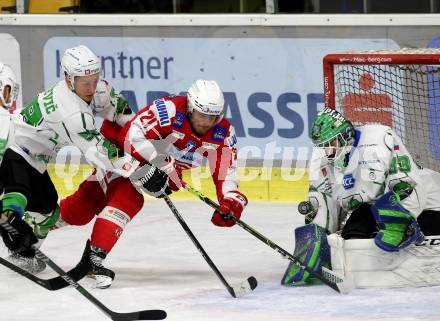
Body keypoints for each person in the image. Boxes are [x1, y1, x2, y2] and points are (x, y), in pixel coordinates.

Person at [27, 79, 248, 289]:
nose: (206, 122)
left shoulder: (224, 134)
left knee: (85, 207)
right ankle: (87, 256)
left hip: (149, 166)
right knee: (121, 200)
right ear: (190, 107)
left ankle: (30, 229)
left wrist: (231, 201)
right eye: (202, 115)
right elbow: (131, 135)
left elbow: (225, 174)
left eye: (213, 116)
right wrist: (162, 165)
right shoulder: (169, 110)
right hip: (119, 151)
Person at [0, 45, 140, 276]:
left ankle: (21, 248)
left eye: (95, 80)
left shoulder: (98, 90)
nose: (92, 88)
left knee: (49, 212)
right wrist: (137, 168)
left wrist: (143, 140)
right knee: (18, 193)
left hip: (37, 159)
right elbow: (99, 151)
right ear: (68, 78)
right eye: (85, 83)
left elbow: (122, 112)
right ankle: (10, 218)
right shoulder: (70, 111)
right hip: (15, 148)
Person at [281, 107, 440, 286]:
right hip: (376, 207)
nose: (328, 151)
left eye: (332, 143)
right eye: (324, 146)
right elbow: (324, 204)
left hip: (428, 203)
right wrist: (315, 246)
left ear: (345, 135)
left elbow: (407, 185)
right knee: (352, 236)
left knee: (391, 213)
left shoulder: (379, 139)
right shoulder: (324, 162)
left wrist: (401, 220)